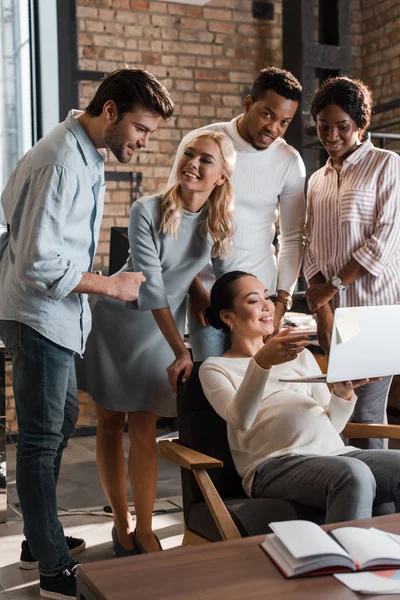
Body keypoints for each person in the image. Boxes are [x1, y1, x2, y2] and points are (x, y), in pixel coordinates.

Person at [0, 68, 173, 599]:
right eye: (141, 130)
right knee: (41, 436)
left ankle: (37, 538)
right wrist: (111, 286)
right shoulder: (60, 161)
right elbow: (38, 263)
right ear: (111, 112)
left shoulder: (82, 151)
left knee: (60, 421)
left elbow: (10, 206)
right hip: (37, 311)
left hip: (51, 313)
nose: (143, 143)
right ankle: (51, 568)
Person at [82, 131, 236, 557]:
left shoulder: (219, 222)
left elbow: (227, 282)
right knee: (111, 424)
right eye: (189, 153)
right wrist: (182, 349)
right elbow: (151, 290)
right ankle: (121, 524)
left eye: (206, 160)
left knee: (146, 428)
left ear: (221, 177)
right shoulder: (146, 209)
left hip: (163, 333)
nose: (193, 163)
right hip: (120, 325)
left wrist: (250, 315)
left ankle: (147, 528)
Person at [199, 271, 400, 523]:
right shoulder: (215, 368)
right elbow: (241, 418)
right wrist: (261, 363)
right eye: (253, 301)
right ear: (228, 316)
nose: (267, 306)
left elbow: (333, 425)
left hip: (335, 454)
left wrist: (343, 391)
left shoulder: (300, 355)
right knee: (354, 474)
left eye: (267, 297)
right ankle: (344, 561)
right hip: (274, 466)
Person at [169, 67, 306, 360]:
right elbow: (175, 221)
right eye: (267, 114)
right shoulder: (202, 143)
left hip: (261, 296)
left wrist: (282, 299)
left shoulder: (289, 161)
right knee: (212, 382)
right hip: (206, 293)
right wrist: (194, 290)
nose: (274, 128)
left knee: (258, 387)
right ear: (248, 104)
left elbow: (293, 238)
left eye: (284, 122)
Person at [304, 76, 400, 450]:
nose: (331, 135)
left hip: (375, 311)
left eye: (342, 127)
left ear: (361, 123)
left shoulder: (387, 165)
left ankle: (383, 508)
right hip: (332, 312)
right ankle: (353, 499)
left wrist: (334, 286)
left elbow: (384, 239)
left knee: (368, 417)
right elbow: (311, 243)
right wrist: (323, 311)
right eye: (323, 126)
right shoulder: (317, 180)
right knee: (339, 414)